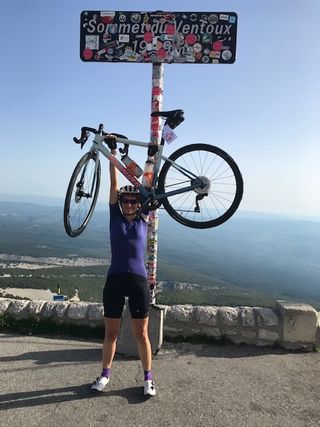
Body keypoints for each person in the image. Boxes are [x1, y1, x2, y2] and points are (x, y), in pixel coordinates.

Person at [91, 145, 156, 397]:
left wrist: (151, 160)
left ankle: (148, 379)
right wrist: (112, 157)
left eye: (133, 201)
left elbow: (148, 187)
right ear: (120, 202)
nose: (129, 203)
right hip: (115, 280)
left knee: (141, 334)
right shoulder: (114, 217)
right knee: (112, 333)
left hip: (138, 282)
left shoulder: (144, 218)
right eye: (125, 200)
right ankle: (105, 374)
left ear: (138, 204)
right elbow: (114, 183)